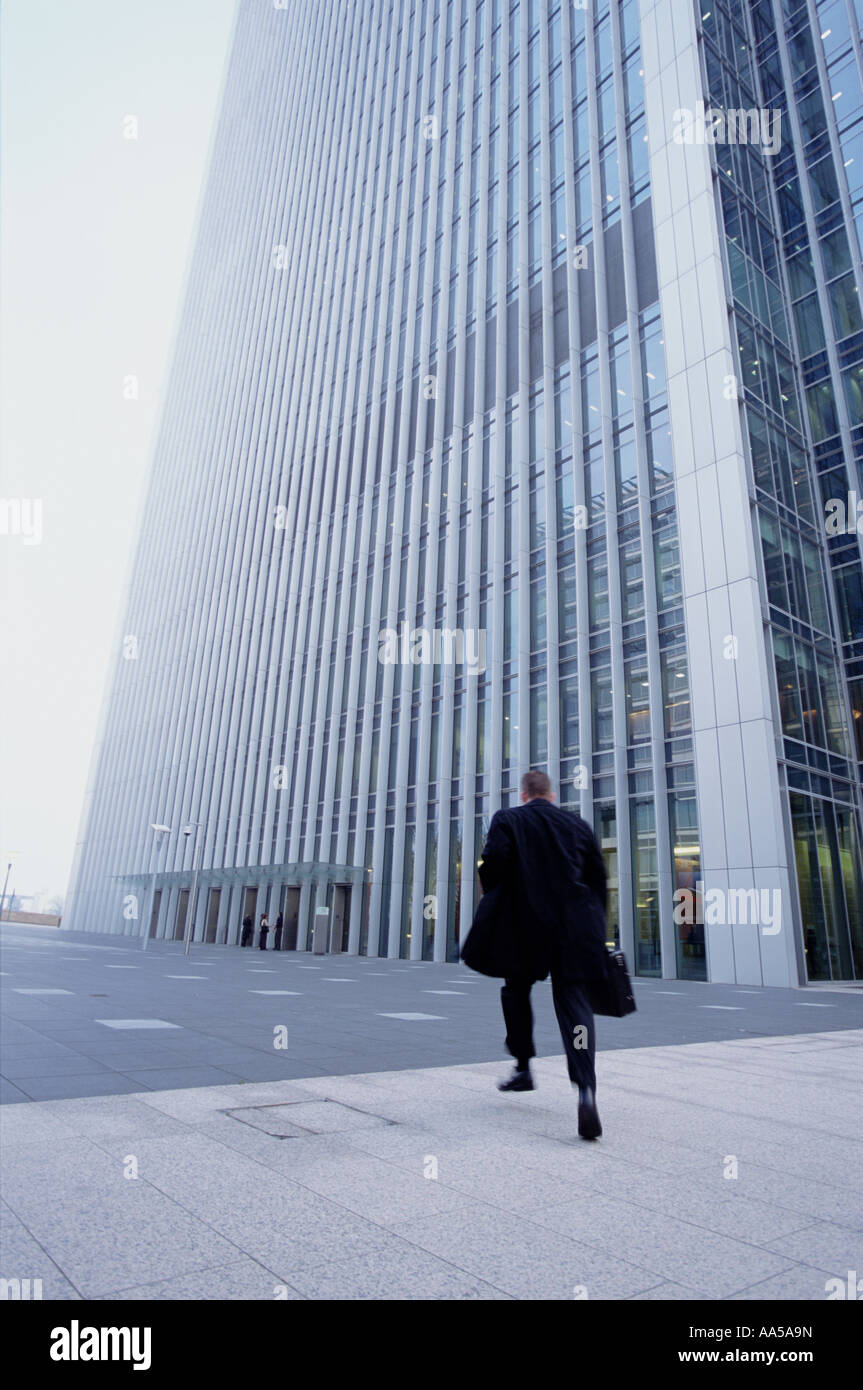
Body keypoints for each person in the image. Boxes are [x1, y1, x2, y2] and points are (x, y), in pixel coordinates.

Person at [463, 769, 608, 1141]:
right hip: (574, 929)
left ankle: (524, 1066)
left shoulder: (508, 818)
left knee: (515, 989)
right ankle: (586, 1089)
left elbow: (493, 863)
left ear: (524, 794)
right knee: (575, 1005)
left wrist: (492, 894)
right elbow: (597, 879)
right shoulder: (577, 825)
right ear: (552, 795)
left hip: (525, 926)